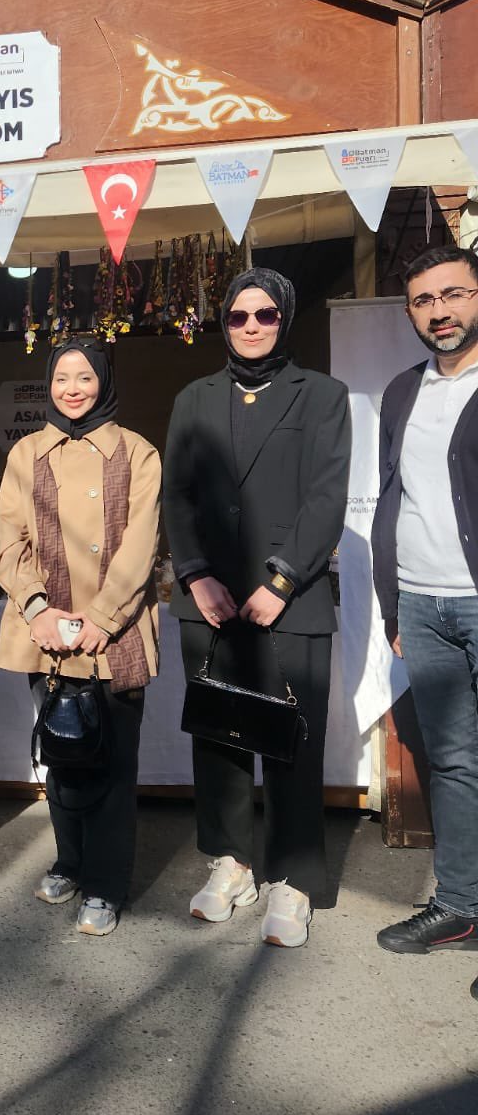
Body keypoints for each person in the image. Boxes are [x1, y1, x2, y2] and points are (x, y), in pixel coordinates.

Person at [164, 268, 350, 948]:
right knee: (219, 736)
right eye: (239, 316)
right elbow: (177, 495)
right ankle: (231, 862)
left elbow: (327, 495)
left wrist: (281, 580)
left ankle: (293, 878)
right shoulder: (194, 397)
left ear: (285, 318)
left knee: (293, 741)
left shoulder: (322, 395)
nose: (251, 326)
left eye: (265, 314)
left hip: (290, 599)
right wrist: (195, 575)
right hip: (209, 599)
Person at [0, 340, 161, 937]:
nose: (72, 389)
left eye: (84, 377)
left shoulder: (137, 452)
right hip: (44, 631)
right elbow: (9, 541)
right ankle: (69, 861)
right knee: (63, 753)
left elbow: (142, 545)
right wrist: (38, 608)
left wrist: (102, 618)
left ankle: (106, 884)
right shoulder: (26, 453)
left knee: (113, 763)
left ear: (104, 382)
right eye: (61, 377)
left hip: (116, 631)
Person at [372, 246, 478, 961]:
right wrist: (394, 606)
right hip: (422, 604)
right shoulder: (402, 391)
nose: (440, 311)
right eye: (423, 301)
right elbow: (393, 495)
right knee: (453, 762)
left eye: (454, 294)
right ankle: (461, 905)